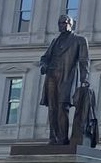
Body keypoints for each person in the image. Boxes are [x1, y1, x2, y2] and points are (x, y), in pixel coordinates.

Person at [39, 13, 91, 145]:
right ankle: (53, 137)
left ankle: (62, 138)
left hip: (67, 76)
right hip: (51, 76)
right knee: (52, 108)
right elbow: (45, 57)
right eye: (60, 23)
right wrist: (44, 65)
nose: (61, 25)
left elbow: (84, 60)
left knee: (63, 106)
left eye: (64, 23)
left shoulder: (79, 40)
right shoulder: (55, 41)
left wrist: (84, 79)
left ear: (71, 24)